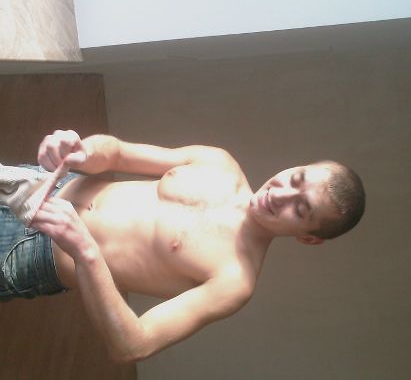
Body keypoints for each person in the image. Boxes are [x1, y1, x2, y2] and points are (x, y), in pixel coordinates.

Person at [0, 130, 365, 363]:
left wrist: (85, 251)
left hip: (32, 255)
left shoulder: (235, 280)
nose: (281, 194)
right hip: (39, 183)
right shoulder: (219, 162)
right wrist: (82, 150)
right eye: (296, 178)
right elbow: (118, 154)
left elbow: (134, 344)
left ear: (308, 237)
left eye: (300, 209)